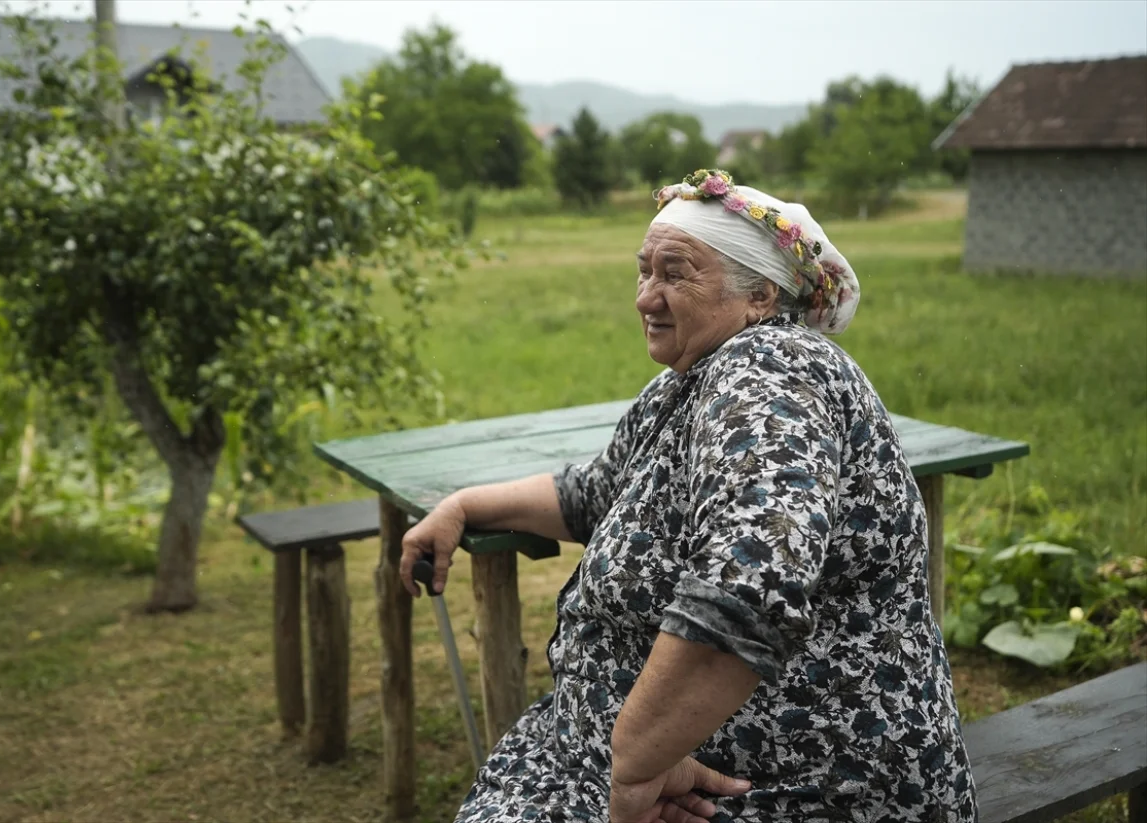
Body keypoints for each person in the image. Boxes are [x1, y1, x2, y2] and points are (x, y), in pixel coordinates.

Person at [400, 170, 977, 823]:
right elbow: (592, 492)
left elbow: (748, 589)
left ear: (760, 294)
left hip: (780, 784)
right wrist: (464, 505)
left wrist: (636, 766)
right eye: (642, 271)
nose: (647, 296)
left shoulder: (772, 368)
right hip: (638, 758)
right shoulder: (686, 383)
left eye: (674, 273)